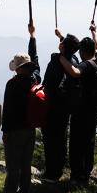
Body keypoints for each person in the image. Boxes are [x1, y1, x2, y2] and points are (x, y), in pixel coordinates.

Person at [60, 24, 97, 186]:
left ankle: (77, 176)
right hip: (95, 110)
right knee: (89, 142)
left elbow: (75, 72)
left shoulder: (85, 65)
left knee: (77, 143)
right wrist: (94, 32)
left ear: (82, 52)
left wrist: (61, 57)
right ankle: (86, 172)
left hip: (82, 110)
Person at [2, 24, 40, 193]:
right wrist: (33, 37)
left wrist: (5, 131)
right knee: (26, 162)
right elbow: (37, 62)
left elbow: (8, 110)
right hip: (30, 127)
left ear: (17, 68)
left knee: (12, 163)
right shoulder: (35, 80)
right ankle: (25, 190)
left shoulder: (12, 84)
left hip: (15, 129)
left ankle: (10, 192)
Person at [41, 29, 80, 183]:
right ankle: (58, 170)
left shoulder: (56, 60)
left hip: (53, 106)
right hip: (66, 107)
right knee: (61, 137)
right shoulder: (74, 60)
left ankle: (51, 173)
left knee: (50, 139)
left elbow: (49, 84)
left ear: (63, 47)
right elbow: (70, 47)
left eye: (62, 43)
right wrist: (61, 36)